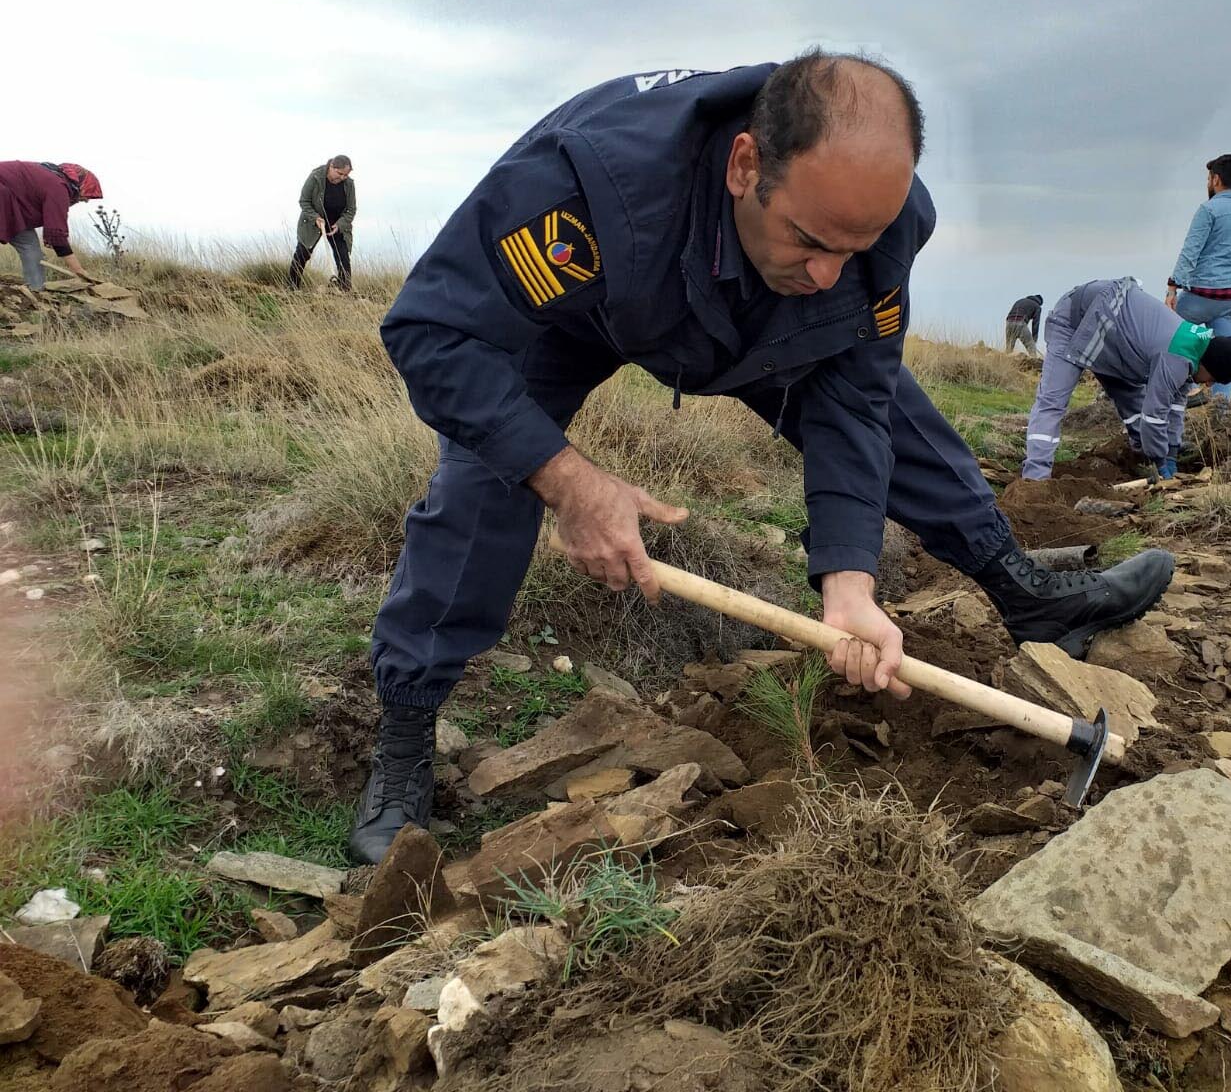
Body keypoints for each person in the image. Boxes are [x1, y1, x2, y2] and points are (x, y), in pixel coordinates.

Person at [349, 54, 1177, 862]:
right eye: (812, 240)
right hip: (592, 310)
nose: (829, 273)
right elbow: (430, 329)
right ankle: (407, 725)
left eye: (854, 251)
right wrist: (567, 479)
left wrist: (848, 585)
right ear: (746, 165)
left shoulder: (870, 228)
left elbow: (855, 401)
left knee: (899, 421)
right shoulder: (586, 185)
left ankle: (1023, 592)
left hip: (761, 326)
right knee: (490, 474)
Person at [1022, 277, 1231, 482]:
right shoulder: (1176, 357)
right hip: (1077, 318)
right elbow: (1155, 416)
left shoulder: (1195, 349)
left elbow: (1175, 409)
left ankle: (1139, 456)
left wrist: (1171, 451)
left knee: (1132, 401)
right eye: (1212, 379)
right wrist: (1161, 461)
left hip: (1115, 339)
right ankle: (1035, 479)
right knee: (1052, 402)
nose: (1207, 385)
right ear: (1210, 365)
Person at [1165, 154, 1231, 403]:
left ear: (1216, 179)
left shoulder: (1208, 210)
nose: (1208, 182)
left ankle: (1176, 391)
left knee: (1166, 334)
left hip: (1202, 296)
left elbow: (1190, 250)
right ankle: (1221, 412)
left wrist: (1173, 287)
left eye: (1209, 178)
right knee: (1224, 358)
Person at [0, 161, 104, 292]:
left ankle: (35, 293)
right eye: (86, 196)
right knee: (30, 248)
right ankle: (35, 289)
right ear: (81, 185)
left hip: (11, 207)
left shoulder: (52, 178)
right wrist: (78, 270)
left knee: (31, 249)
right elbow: (56, 233)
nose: (85, 200)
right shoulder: (58, 187)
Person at [289, 156, 356, 291]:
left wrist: (340, 224)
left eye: (346, 175)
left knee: (343, 257)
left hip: (337, 224)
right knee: (302, 254)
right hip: (314, 222)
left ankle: (344, 291)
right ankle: (292, 288)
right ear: (331, 166)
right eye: (340, 173)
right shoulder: (315, 177)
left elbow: (351, 209)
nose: (343, 177)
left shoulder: (349, 184)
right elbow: (304, 201)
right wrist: (315, 218)